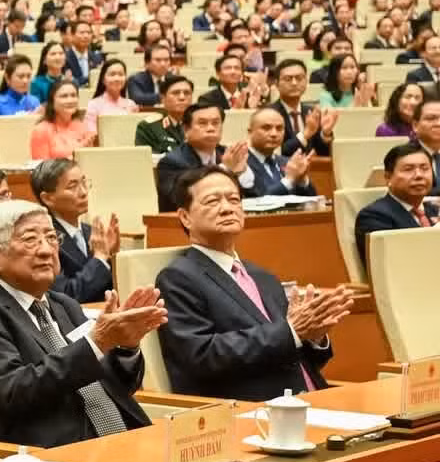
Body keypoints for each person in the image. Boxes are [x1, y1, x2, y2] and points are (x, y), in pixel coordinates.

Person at [0, 200, 162, 448]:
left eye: (51, 238)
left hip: (125, 438)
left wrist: (126, 347)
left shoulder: (65, 305)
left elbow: (119, 387)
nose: (47, 250)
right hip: (53, 456)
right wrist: (96, 343)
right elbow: (14, 393)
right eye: (30, 240)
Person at [155, 166, 346, 402]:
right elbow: (201, 356)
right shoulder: (178, 278)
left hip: (311, 399)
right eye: (212, 201)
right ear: (185, 217)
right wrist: (290, 332)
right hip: (255, 410)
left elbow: (292, 354)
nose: (227, 208)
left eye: (234, 200)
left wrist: (313, 338)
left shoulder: (262, 276)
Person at [29, 157, 119, 304]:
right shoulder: (44, 241)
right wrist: (101, 257)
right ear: (48, 198)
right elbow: (66, 295)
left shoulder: (92, 232)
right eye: (72, 186)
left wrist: (113, 257)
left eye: (84, 182)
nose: (83, 192)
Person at [354, 142, 439, 275]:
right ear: (388, 177)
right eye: (408, 169)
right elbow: (393, 267)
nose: (419, 175)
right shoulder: (374, 216)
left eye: (424, 168)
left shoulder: (433, 211)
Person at [157, 103, 249, 210]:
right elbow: (181, 199)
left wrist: (242, 172)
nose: (210, 128)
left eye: (215, 123)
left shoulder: (227, 153)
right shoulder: (172, 162)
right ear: (186, 130)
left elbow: (251, 193)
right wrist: (225, 169)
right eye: (203, 123)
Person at [238, 106, 316, 199]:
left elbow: (313, 201)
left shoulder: (287, 162)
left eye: (279, 128)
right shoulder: (240, 164)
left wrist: (302, 181)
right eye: (266, 128)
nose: (274, 134)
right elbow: (257, 199)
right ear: (250, 132)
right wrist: (289, 180)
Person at [29, 78, 96, 160]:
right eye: (64, 96)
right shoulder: (41, 130)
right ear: (52, 102)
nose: (70, 100)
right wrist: (75, 156)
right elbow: (42, 170)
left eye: (73, 95)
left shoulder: (82, 126)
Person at [134, 73, 195, 156]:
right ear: (163, 99)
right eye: (176, 93)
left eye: (187, 93)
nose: (182, 97)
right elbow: (146, 160)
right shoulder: (148, 127)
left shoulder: (200, 124)